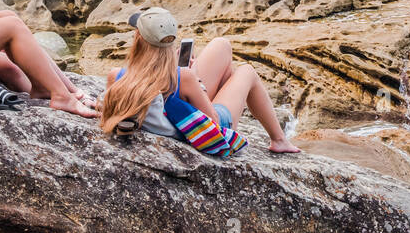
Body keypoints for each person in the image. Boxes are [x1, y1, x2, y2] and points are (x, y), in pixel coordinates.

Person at [99, 8, 300, 153]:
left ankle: (225, 86)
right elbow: (212, 122)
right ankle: (279, 140)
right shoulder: (183, 77)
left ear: (138, 38)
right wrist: (196, 81)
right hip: (192, 122)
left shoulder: (116, 76)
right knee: (247, 71)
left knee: (222, 46)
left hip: (173, 105)